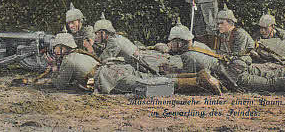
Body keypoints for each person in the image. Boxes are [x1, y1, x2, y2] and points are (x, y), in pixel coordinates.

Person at [49, 31, 223, 95]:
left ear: (63, 48)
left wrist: (53, 69)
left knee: (148, 86)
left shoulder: (68, 60)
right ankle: (197, 75)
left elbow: (59, 84)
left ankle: (198, 82)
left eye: (56, 48)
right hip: (116, 68)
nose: (55, 52)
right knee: (147, 78)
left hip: (109, 77)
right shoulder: (78, 53)